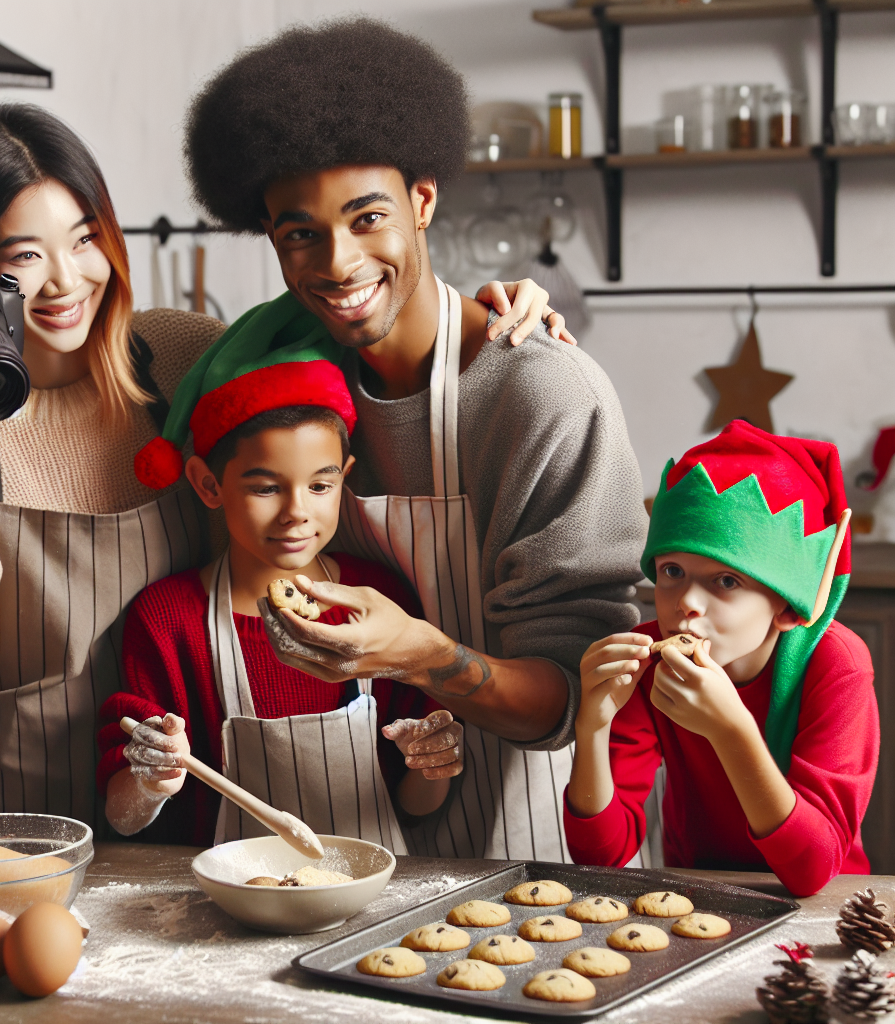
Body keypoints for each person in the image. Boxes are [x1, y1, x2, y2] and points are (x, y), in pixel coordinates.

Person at [0, 100, 554, 825]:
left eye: (84, 239)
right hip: (20, 822)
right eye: (25, 257)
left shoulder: (179, 356)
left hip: (187, 821)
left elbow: (358, 332)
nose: (69, 281)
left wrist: (483, 322)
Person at [151, 19, 648, 861]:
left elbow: (571, 696)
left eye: (367, 216)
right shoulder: (284, 377)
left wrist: (419, 653)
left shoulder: (544, 394)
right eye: (300, 232)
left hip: (529, 851)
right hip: (350, 860)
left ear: (423, 200)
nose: (339, 263)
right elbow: (118, 346)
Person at [99, 294, 463, 849]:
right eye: (266, 487)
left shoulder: (380, 601)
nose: (298, 512)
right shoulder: (168, 619)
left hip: (372, 895)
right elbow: (122, 816)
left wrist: (429, 761)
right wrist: (152, 778)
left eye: (320, 485)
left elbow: (414, 809)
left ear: (345, 476)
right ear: (207, 484)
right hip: (228, 902)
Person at [564, 420, 878, 897]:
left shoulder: (837, 666)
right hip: (699, 897)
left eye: (726, 580)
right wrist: (591, 728)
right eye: (672, 570)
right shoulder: (645, 662)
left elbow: (814, 870)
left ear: (789, 608)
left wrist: (730, 730)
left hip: (829, 912)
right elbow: (601, 855)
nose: (686, 600)